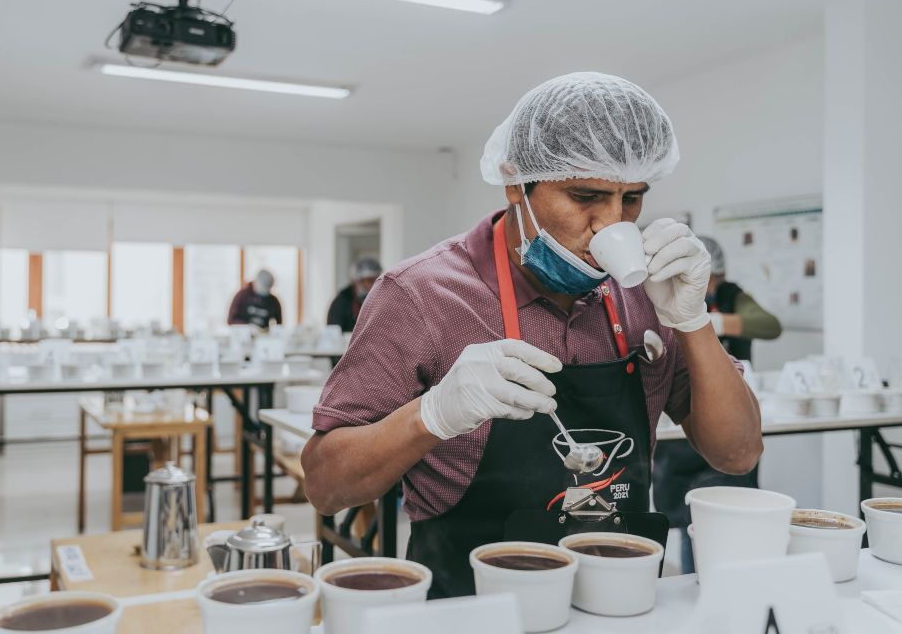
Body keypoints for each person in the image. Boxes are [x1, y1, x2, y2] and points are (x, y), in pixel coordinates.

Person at [302, 73, 763, 598]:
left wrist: (693, 319)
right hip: (473, 600)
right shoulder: (420, 295)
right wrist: (431, 415)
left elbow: (738, 453)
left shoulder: (647, 290)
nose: (610, 225)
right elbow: (325, 486)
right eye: (585, 195)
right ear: (515, 183)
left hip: (621, 593)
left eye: (632, 198)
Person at [653, 235, 781, 573]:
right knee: (685, 517)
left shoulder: (729, 295)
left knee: (727, 518)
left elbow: (769, 325)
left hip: (728, 415)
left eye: (713, 278)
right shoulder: (658, 300)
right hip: (682, 426)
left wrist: (702, 323)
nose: (709, 286)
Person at [327, 258, 382, 332]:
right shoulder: (341, 300)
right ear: (357, 280)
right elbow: (333, 329)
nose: (372, 285)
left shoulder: (381, 299)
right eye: (369, 280)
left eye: (376, 280)